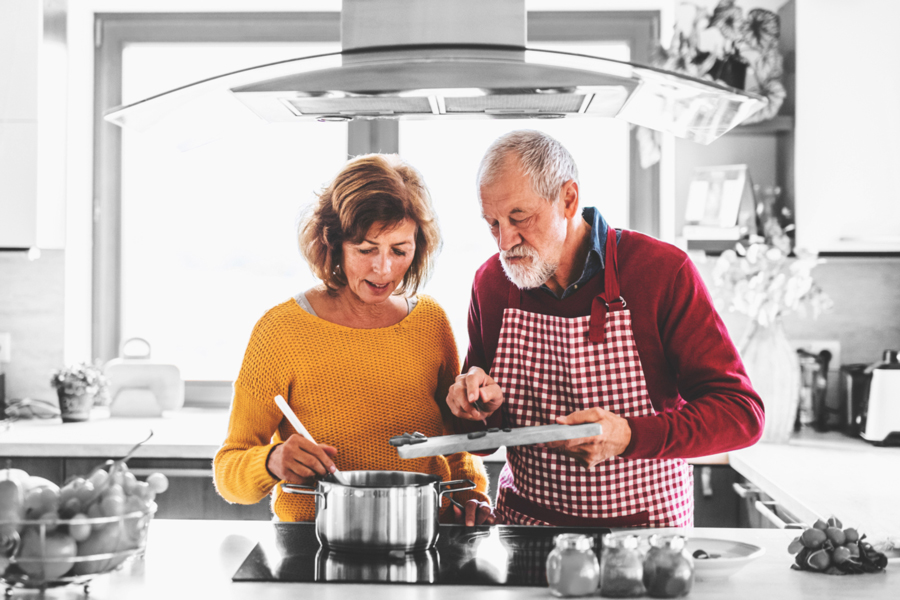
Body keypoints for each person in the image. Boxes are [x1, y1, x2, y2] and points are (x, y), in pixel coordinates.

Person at [447, 130, 765, 527]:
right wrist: (476, 408)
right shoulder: (492, 284)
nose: (505, 242)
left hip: (646, 537)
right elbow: (481, 440)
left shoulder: (661, 272)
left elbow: (742, 414)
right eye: (492, 223)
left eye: (519, 218)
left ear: (568, 199)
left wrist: (629, 435)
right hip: (526, 532)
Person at [215, 153, 492, 525]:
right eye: (365, 250)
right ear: (333, 243)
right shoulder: (280, 331)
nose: (383, 268)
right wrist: (271, 461)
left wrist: (471, 493)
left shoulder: (430, 322)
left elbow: (453, 441)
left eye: (400, 250)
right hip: (315, 544)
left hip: (422, 533)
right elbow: (229, 472)